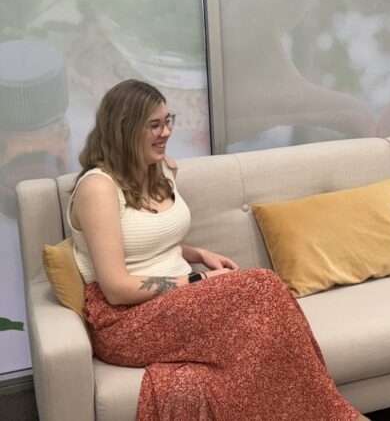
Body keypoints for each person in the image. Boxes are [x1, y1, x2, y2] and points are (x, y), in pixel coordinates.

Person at [69, 79, 362, 421]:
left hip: (174, 302)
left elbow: (147, 238)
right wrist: (198, 279)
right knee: (262, 286)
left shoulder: (161, 169)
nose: (165, 133)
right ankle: (335, 415)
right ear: (124, 128)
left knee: (264, 323)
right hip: (125, 320)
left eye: (168, 121)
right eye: (154, 125)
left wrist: (196, 253)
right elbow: (116, 289)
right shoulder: (98, 189)